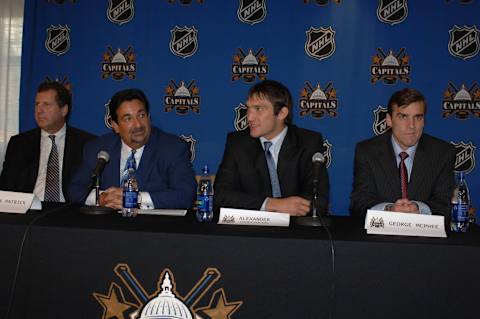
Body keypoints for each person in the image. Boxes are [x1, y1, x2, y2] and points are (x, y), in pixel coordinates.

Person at [214, 79, 329, 216]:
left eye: (258, 109)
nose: (249, 117)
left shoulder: (308, 142)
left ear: (281, 113)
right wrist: (271, 204)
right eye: (248, 108)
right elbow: (221, 195)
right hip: (251, 230)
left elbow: (318, 199)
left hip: (296, 230)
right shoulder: (237, 143)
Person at [68, 88, 196, 209]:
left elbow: (186, 195)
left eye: (141, 115)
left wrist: (136, 199)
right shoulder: (98, 148)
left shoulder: (172, 148)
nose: (138, 124)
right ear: (115, 126)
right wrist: (101, 199)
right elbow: (75, 189)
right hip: (106, 227)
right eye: (128, 118)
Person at [350, 88, 455, 216]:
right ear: (389, 120)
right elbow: (360, 203)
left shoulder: (442, 153)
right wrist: (389, 210)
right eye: (403, 116)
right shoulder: (367, 151)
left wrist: (418, 208)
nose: (411, 125)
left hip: (424, 234)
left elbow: (445, 204)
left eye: (418, 117)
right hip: (381, 234)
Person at [0, 81, 96, 202]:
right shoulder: (19, 144)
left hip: (69, 212)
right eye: (37, 104)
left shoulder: (87, 143)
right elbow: (6, 187)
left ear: (64, 110)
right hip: (29, 211)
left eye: (46, 104)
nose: (39, 110)